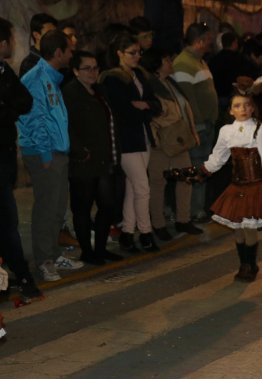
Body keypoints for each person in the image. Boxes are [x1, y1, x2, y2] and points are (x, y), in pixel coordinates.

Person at [17, 30, 84, 282]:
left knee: (57, 206)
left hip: (57, 150)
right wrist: (45, 153)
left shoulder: (51, 78)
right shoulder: (36, 79)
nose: (71, 55)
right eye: (69, 50)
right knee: (46, 208)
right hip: (44, 153)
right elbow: (33, 120)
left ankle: (53, 254)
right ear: (58, 53)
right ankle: (44, 260)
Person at [196, 93, 262, 282]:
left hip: (256, 185)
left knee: (249, 226)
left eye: (246, 105)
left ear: (252, 108)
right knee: (237, 227)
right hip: (237, 185)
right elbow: (218, 157)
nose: (242, 109)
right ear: (230, 110)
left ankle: (249, 265)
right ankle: (244, 263)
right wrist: (201, 172)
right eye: (237, 106)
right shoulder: (226, 131)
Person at [99, 32, 162, 252]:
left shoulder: (139, 74)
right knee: (142, 186)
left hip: (142, 136)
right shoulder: (112, 78)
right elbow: (122, 111)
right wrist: (143, 108)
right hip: (126, 139)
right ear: (119, 54)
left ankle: (127, 232)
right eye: (132, 53)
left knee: (134, 187)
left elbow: (156, 104)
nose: (137, 56)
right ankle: (145, 233)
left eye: (139, 52)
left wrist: (144, 106)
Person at [62, 50, 123, 265]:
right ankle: (87, 251)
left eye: (95, 67)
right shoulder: (70, 93)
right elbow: (66, 126)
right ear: (76, 71)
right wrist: (80, 150)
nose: (92, 72)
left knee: (107, 205)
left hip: (104, 158)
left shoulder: (100, 90)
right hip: (83, 161)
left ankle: (100, 248)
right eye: (87, 68)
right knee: (83, 208)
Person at [139, 48, 203, 240]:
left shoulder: (169, 83)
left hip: (179, 139)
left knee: (186, 178)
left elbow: (183, 109)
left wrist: (191, 131)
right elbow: (157, 115)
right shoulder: (151, 86)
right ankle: (158, 224)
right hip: (162, 142)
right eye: (166, 59)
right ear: (158, 65)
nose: (170, 62)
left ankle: (183, 219)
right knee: (158, 183)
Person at [0, 17, 42, 299]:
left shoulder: (3, 70)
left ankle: (17, 276)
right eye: (12, 40)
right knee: (7, 221)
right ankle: (22, 276)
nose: (14, 44)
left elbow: (24, 102)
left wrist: (5, 106)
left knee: (7, 221)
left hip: (3, 158)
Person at [172, 22, 218, 223]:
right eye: (208, 40)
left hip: (207, 124)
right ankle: (193, 211)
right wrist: (198, 123)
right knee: (196, 168)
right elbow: (187, 99)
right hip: (198, 126)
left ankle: (198, 208)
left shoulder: (200, 61)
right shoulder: (183, 64)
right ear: (199, 41)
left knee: (203, 167)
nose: (211, 44)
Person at [19, 13, 57, 77]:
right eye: (49, 32)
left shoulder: (56, 55)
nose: (55, 36)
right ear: (36, 35)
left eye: (55, 32)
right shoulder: (28, 64)